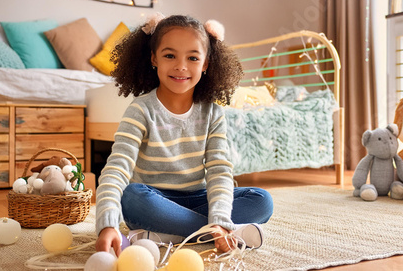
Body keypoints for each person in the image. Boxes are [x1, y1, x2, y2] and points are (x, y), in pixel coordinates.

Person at [95, 13, 273, 256]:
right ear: (153, 58)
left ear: (206, 64)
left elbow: (220, 170)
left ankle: (175, 235)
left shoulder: (212, 112)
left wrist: (220, 218)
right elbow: (117, 168)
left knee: (261, 199)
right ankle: (219, 233)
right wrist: (107, 224)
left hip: (200, 197)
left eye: (193, 57)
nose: (181, 66)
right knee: (132, 196)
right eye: (170, 55)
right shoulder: (141, 109)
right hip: (154, 199)